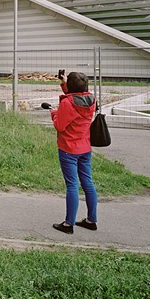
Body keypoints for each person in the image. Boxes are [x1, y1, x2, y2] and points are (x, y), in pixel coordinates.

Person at [50, 71, 98, 234]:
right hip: (85, 147)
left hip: (69, 148)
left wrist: (53, 113)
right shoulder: (91, 99)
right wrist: (65, 83)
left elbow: (60, 126)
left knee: (72, 185)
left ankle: (68, 224)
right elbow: (75, 97)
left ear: (71, 86)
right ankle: (91, 220)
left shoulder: (67, 103)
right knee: (88, 183)